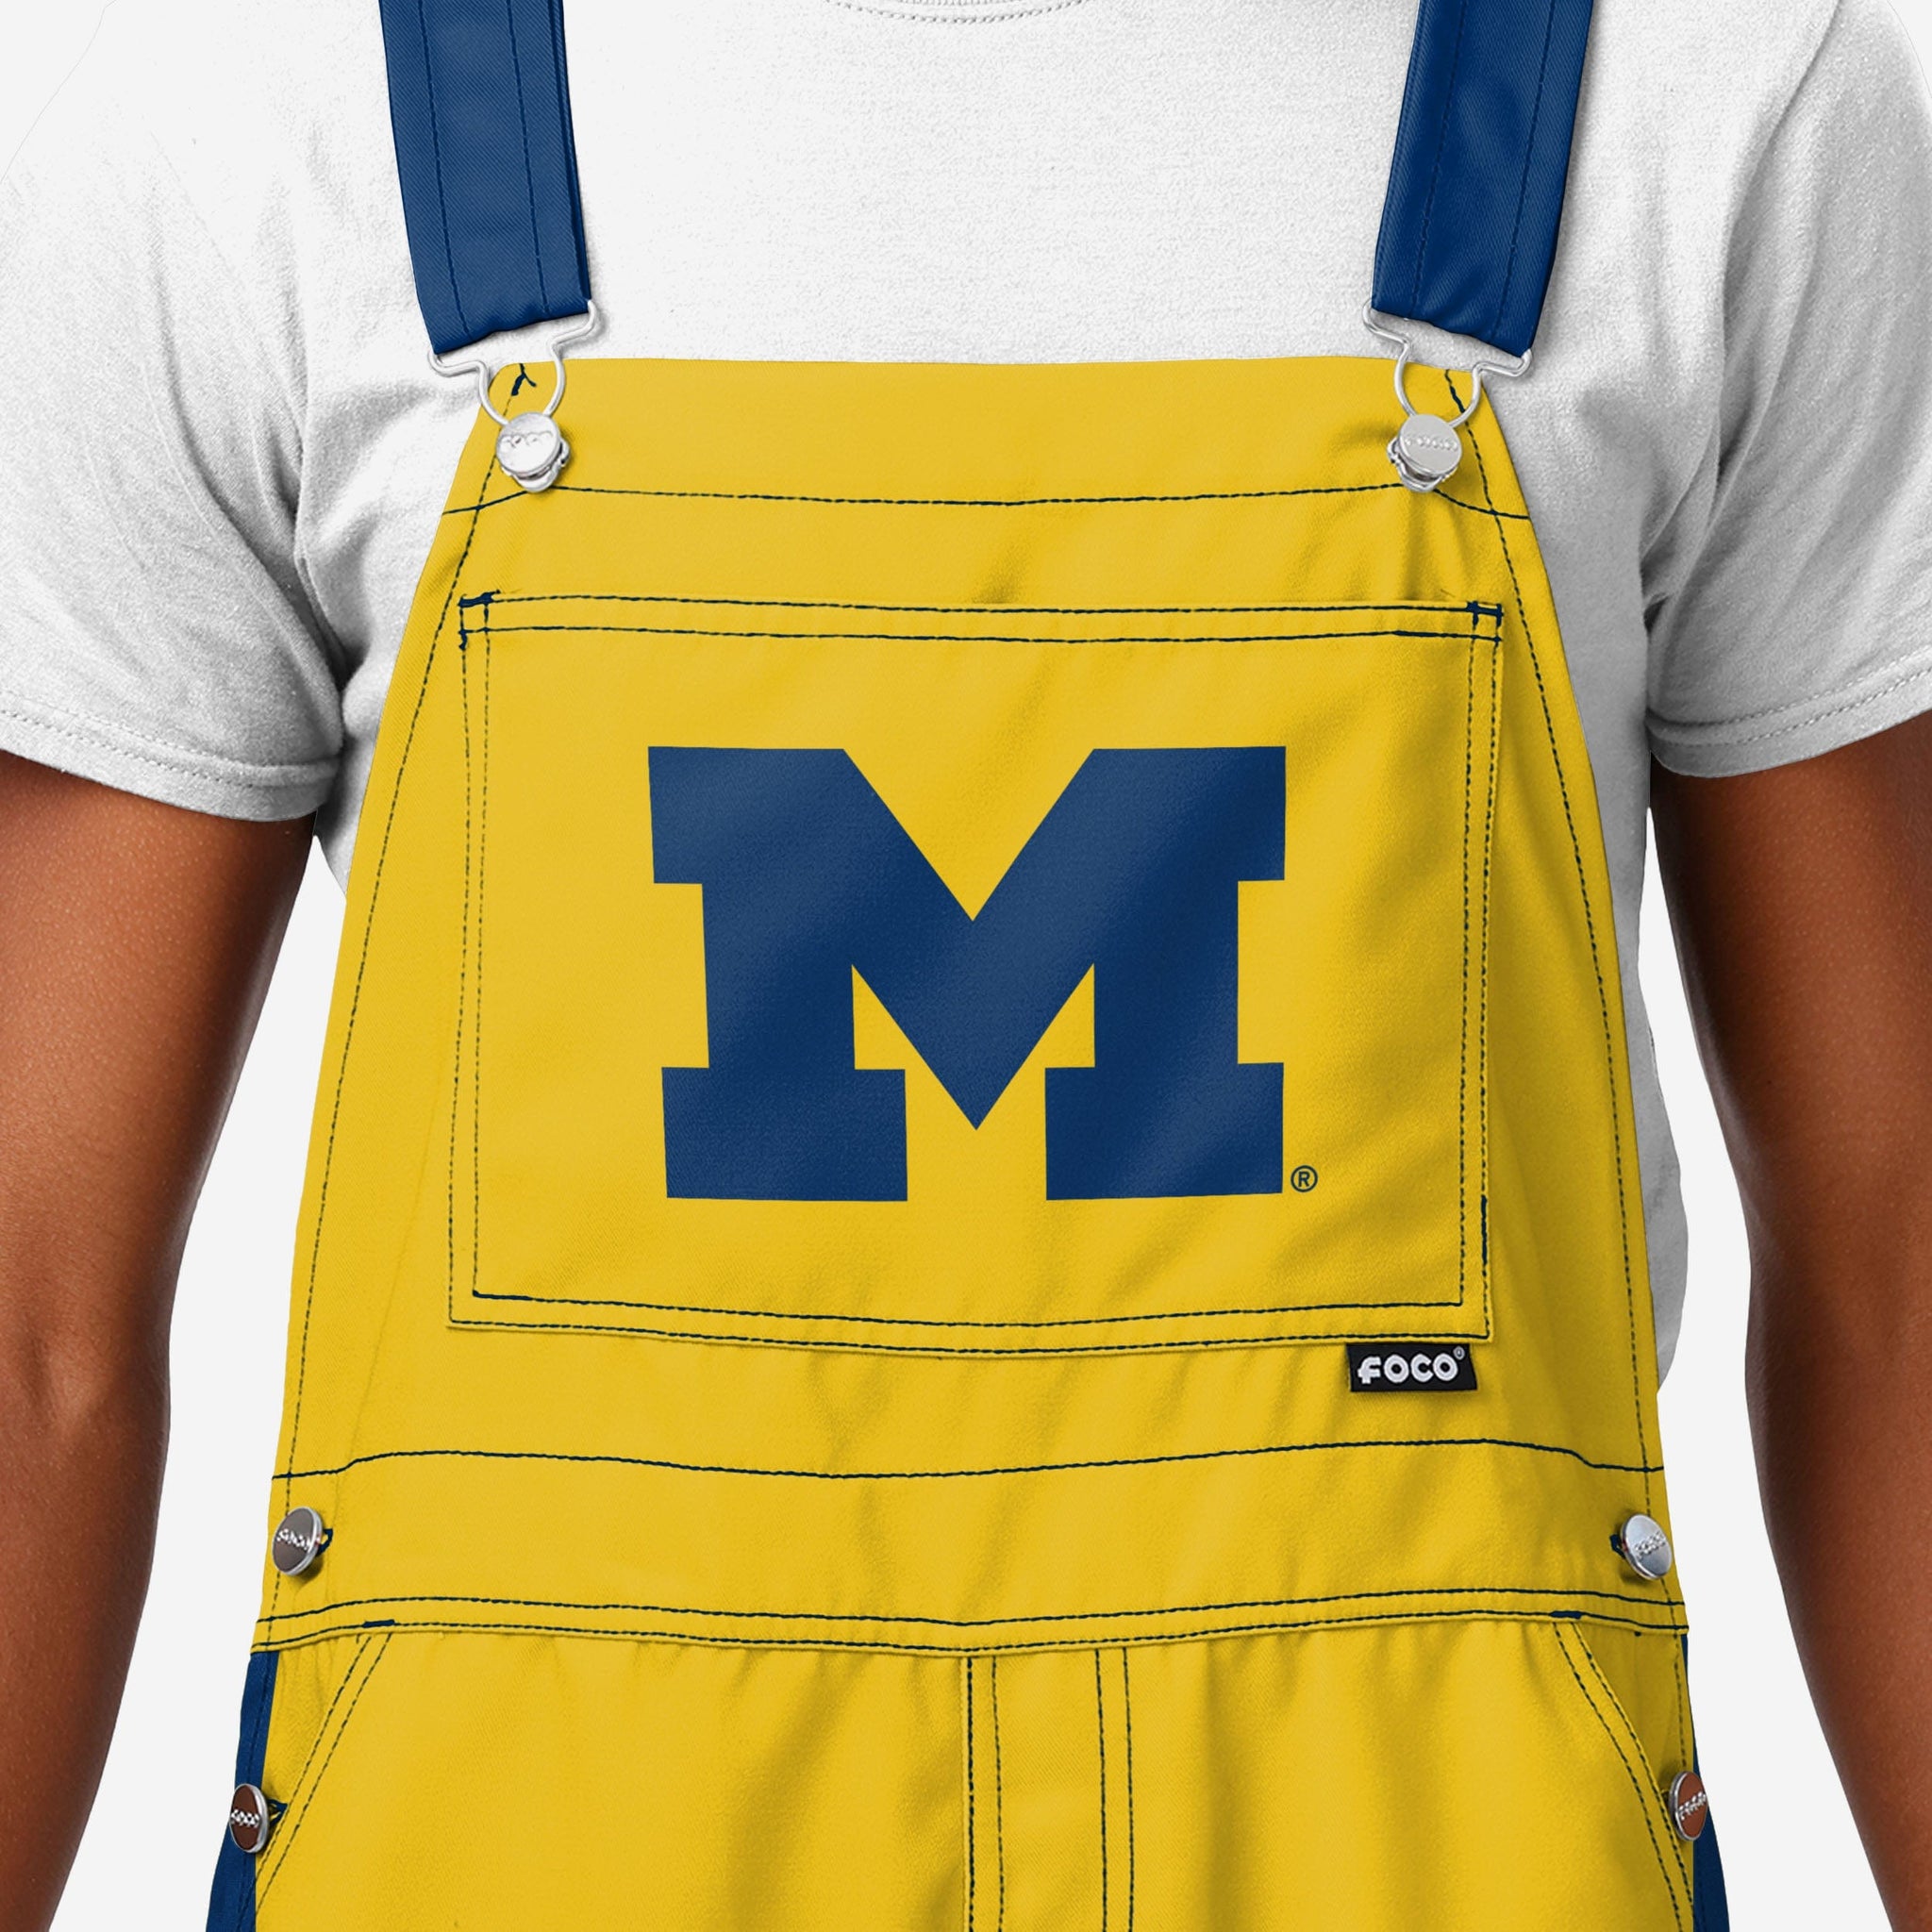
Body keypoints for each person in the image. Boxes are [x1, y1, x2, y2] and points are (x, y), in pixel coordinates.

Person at [4, 0, 1932, 1924]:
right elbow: (38, 1330)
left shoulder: (1716, 83)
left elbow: (1890, 1281)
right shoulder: (247, 113)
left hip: (1424, 1851)